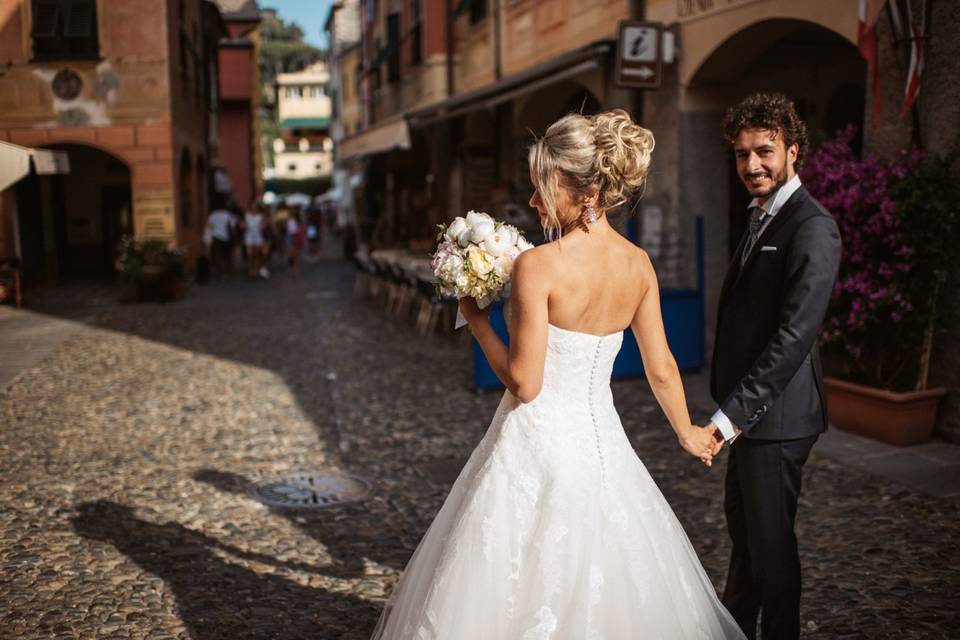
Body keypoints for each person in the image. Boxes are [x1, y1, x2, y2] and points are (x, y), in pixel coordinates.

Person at [370, 110, 745, 639]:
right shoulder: (639, 264)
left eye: (543, 188)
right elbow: (661, 365)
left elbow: (525, 384)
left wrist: (476, 321)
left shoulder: (539, 265)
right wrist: (687, 431)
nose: (533, 203)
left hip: (535, 443)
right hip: (603, 446)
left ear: (586, 192)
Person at [707, 93, 841, 640]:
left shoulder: (812, 226)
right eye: (742, 155)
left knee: (772, 550)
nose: (752, 165)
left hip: (777, 419)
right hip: (750, 418)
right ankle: (736, 630)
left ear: (793, 151)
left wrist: (728, 417)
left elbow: (793, 337)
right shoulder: (761, 214)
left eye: (764, 151)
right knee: (746, 540)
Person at [205, 202, 235, 279]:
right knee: (226, 255)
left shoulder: (213, 214)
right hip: (226, 237)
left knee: (217, 254)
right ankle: (227, 272)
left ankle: (219, 272)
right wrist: (234, 237)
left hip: (216, 236)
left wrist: (207, 238)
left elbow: (209, 226)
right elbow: (232, 226)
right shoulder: (227, 214)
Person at [243, 201, 268, 279]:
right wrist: (243, 225)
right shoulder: (247, 215)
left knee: (256, 254)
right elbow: (244, 224)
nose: (254, 208)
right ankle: (251, 270)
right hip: (249, 235)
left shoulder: (260, 216)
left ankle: (255, 270)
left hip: (257, 235)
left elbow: (264, 225)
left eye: (255, 206)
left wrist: (262, 226)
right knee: (250, 254)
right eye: (252, 206)